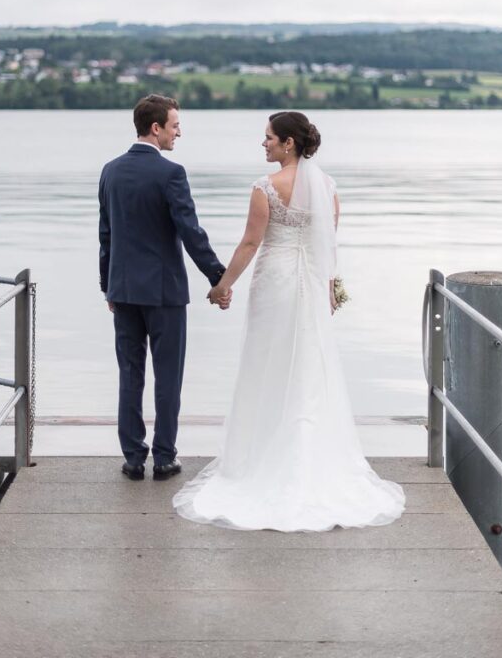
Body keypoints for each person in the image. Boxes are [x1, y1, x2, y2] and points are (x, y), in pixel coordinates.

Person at [172, 111, 405, 531]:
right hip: (310, 285)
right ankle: (311, 455)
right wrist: (330, 287)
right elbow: (328, 245)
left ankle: (261, 457)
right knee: (308, 367)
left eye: (268, 138)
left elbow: (250, 243)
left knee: (267, 364)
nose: (263, 144)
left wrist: (222, 286)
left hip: (275, 282)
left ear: (288, 143)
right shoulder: (328, 187)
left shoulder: (265, 187)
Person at [99, 94, 230, 482]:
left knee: (130, 374)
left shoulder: (110, 171)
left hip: (123, 290)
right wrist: (218, 277)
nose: (179, 133)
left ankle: (133, 458)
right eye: (175, 125)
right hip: (164, 293)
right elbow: (191, 232)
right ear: (155, 128)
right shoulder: (171, 173)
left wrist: (108, 286)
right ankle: (164, 457)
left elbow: (106, 235)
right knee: (168, 376)